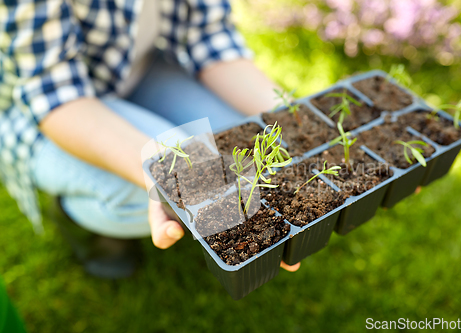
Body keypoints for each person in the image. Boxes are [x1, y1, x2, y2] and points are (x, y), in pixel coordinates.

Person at [0, 0, 300, 278]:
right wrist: (171, 174)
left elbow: (208, 34)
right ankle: (76, 215)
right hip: (45, 109)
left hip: (135, 68)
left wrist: (296, 120)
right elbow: (52, 89)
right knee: (184, 182)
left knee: (243, 149)